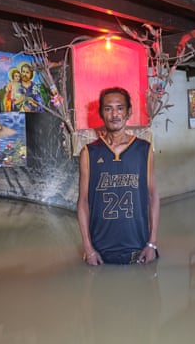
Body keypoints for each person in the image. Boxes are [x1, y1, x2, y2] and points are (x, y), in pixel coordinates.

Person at [77, 87, 160, 265]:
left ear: (128, 112)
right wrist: (89, 249)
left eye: (120, 108)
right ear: (101, 113)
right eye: (108, 108)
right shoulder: (89, 152)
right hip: (100, 252)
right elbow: (83, 201)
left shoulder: (144, 149)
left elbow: (153, 197)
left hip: (139, 249)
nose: (114, 114)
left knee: (143, 292)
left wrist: (152, 244)